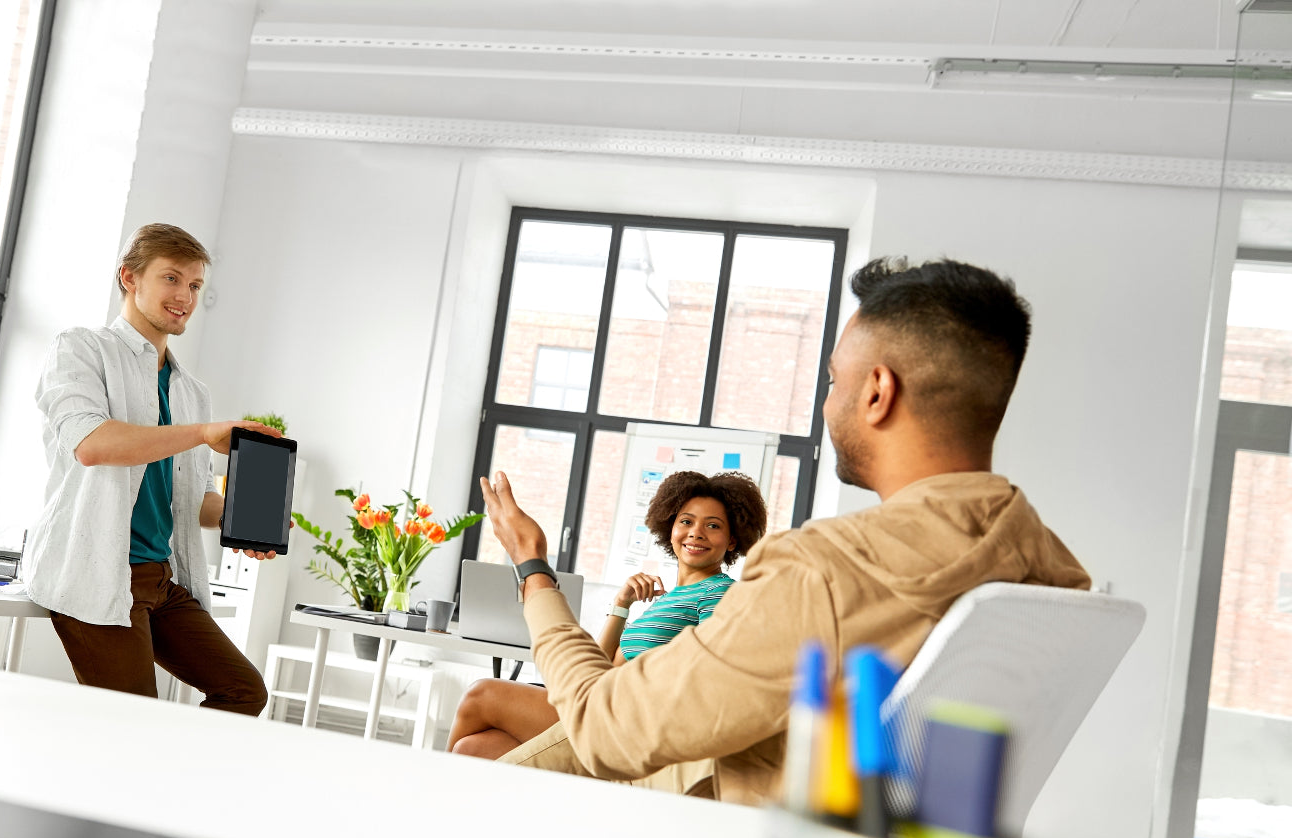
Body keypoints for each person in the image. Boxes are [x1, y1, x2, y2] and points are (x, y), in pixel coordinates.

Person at [478, 256, 1092, 805]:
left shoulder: (826, 570)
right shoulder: (1051, 569)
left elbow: (603, 727)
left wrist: (532, 568)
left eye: (833, 381)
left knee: (476, 760)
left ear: (878, 391)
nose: (827, 404)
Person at [23, 223, 278, 714]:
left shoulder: (190, 391)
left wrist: (243, 520)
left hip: (159, 577)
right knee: (133, 724)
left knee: (244, 691)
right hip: (95, 569)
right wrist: (203, 434)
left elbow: (194, 499)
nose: (185, 295)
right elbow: (93, 445)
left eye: (196, 285)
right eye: (172, 278)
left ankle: (171, 785)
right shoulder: (80, 349)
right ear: (129, 278)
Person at [447, 470, 767, 760]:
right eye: (686, 521)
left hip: (623, 723)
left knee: (482, 694)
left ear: (732, 540)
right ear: (671, 527)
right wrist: (622, 603)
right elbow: (599, 666)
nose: (696, 533)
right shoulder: (666, 599)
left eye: (713, 526)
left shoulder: (720, 593)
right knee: (474, 749)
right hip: (600, 702)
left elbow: (714, 681)